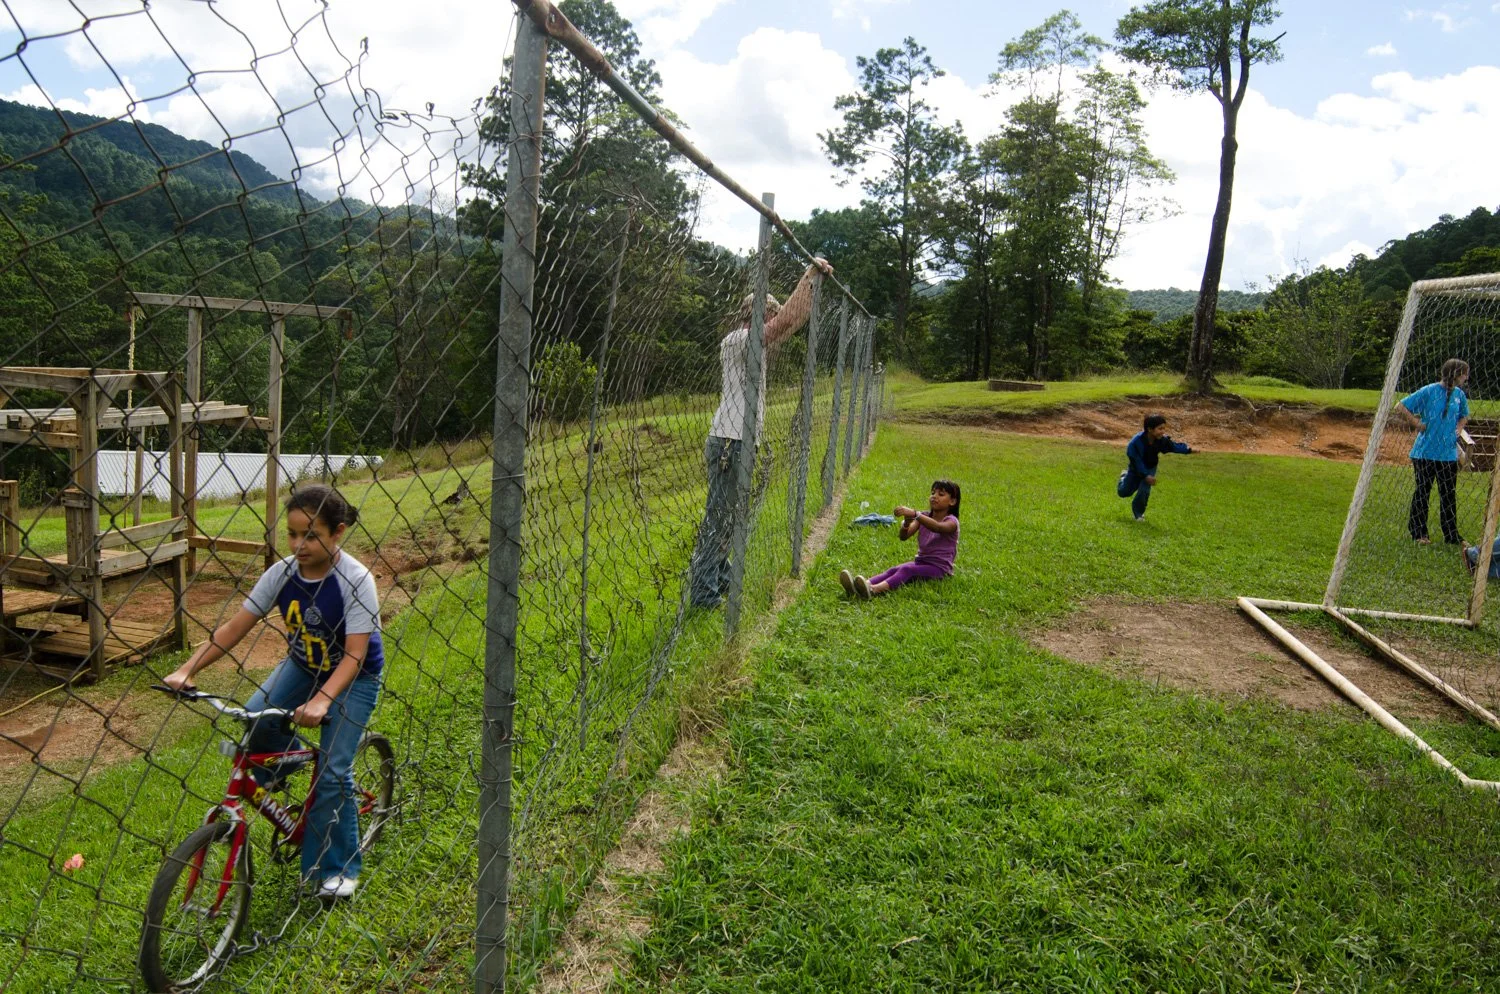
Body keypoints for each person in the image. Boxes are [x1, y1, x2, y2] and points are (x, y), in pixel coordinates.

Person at [162, 484, 383, 901]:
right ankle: (293, 762)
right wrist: (188, 668)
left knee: (335, 772)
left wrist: (322, 701)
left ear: (337, 533)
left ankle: (337, 870)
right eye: (292, 534)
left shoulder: (355, 581)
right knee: (254, 720)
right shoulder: (282, 573)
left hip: (354, 678)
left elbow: (355, 656)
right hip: (303, 665)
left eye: (311, 535)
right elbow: (234, 628)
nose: (299, 545)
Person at [689, 257, 834, 608]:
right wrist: (809, 274)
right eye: (769, 314)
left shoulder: (755, 341)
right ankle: (704, 594)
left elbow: (792, 322)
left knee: (728, 517)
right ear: (755, 316)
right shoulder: (739, 340)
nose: (774, 322)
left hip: (739, 440)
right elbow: (785, 321)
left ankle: (719, 580)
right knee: (719, 518)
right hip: (730, 440)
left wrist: (812, 287)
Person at [839, 479, 960, 599]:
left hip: (939, 569)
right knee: (894, 569)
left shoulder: (951, 522)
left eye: (941, 494)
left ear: (952, 501)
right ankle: (862, 584)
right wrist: (907, 523)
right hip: (921, 562)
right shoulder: (924, 517)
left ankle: (873, 590)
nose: (934, 496)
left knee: (907, 570)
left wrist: (915, 514)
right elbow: (904, 536)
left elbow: (937, 527)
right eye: (933, 493)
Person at [1396, 358, 1469, 545]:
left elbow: (1464, 415)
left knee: (1448, 495)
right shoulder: (1429, 391)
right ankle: (1419, 533)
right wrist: (1417, 424)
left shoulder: (1459, 395)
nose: (1466, 377)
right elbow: (1400, 406)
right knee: (1422, 492)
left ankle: (1451, 535)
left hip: (1448, 454)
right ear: (1456, 374)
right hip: (1425, 453)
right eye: (1464, 373)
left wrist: (1458, 430)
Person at [1117, 413, 1193, 522]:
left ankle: (1138, 515)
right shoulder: (1135, 442)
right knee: (1124, 492)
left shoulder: (1162, 440)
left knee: (1144, 491)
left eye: (1164, 428)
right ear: (1150, 429)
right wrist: (1145, 475)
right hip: (1135, 468)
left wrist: (1189, 450)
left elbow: (1173, 446)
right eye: (1160, 428)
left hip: (1150, 467)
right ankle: (1124, 476)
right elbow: (1136, 461)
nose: (1163, 431)